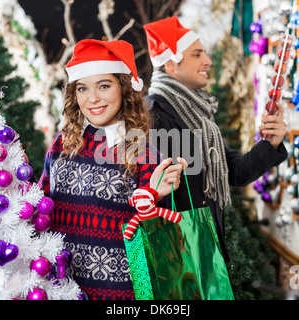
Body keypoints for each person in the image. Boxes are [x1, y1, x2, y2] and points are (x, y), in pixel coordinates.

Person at [38, 39, 187, 300]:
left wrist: (156, 194)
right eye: (82, 88)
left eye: (104, 86)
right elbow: (41, 207)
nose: (92, 98)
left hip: (119, 294)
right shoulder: (63, 143)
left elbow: (158, 241)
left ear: (125, 89)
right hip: (59, 287)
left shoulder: (144, 153)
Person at [143, 16, 288, 262]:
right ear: (170, 63)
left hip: (205, 247)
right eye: (197, 55)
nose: (208, 61)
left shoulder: (194, 112)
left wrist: (270, 143)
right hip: (180, 256)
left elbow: (234, 171)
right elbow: (157, 196)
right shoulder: (155, 114)